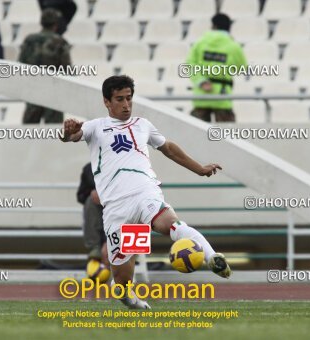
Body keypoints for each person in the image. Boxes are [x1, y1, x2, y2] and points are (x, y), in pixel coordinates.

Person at [61, 75, 231, 309]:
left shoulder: (143, 124)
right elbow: (72, 136)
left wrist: (200, 169)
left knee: (170, 224)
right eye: (119, 99)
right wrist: (68, 131)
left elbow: (168, 148)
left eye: (129, 98)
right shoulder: (95, 127)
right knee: (121, 281)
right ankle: (131, 300)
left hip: (145, 193)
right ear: (106, 102)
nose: (126, 104)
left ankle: (212, 257)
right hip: (116, 209)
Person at [186, 13, 247, 122]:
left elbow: (189, 65)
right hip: (222, 96)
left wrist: (202, 81)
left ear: (213, 26)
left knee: (195, 135)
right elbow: (242, 67)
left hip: (202, 95)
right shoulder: (233, 46)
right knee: (227, 136)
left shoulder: (200, 43)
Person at [19, 8, 71, 124]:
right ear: (56, 24)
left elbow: (20, 65)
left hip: (33, 90)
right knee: (53, 133)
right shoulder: (60, 42)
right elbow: (67, 70)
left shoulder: (29, 40)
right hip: (53, 92)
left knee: (29, 133)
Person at [77, 163, 109, 268]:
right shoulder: (89, 169)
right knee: (91, 200)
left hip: (130, 213)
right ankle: (96, 247)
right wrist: (93, 193)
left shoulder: (128, 165)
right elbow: (81, 196)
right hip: (107, 218)